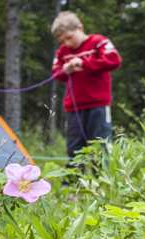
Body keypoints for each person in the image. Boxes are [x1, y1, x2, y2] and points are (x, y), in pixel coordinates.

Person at [50, 11, 121, 161]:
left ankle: (102, 182)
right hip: (73, 108)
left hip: (99, 106)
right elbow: (56, 73)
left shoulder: (98, 41)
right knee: (74, 148)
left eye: (69, 37)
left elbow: (114, 60)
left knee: (101, 146)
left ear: (80, 28)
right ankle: (72, 182)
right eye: (63, 41)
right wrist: (65, 70)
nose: (67, 43)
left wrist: (84, 63)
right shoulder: (62, 51)